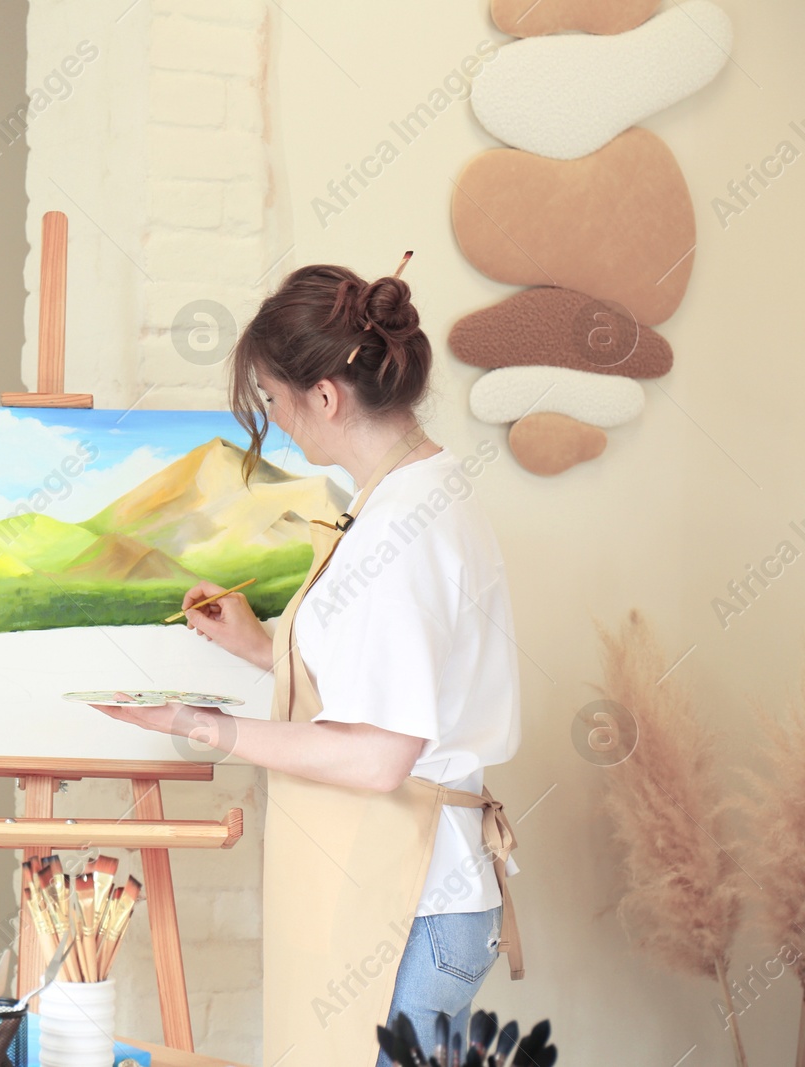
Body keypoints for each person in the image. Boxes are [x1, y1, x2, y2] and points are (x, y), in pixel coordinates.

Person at [91, 256, 524, 1065]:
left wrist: (200, 725)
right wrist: (261, 646)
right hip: (412, 897)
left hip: (409, 906)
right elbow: (389, 688)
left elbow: (378, 754)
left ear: (325, 395)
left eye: (272, 398)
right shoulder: (414, 494)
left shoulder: (402, 527)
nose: (276, 418)